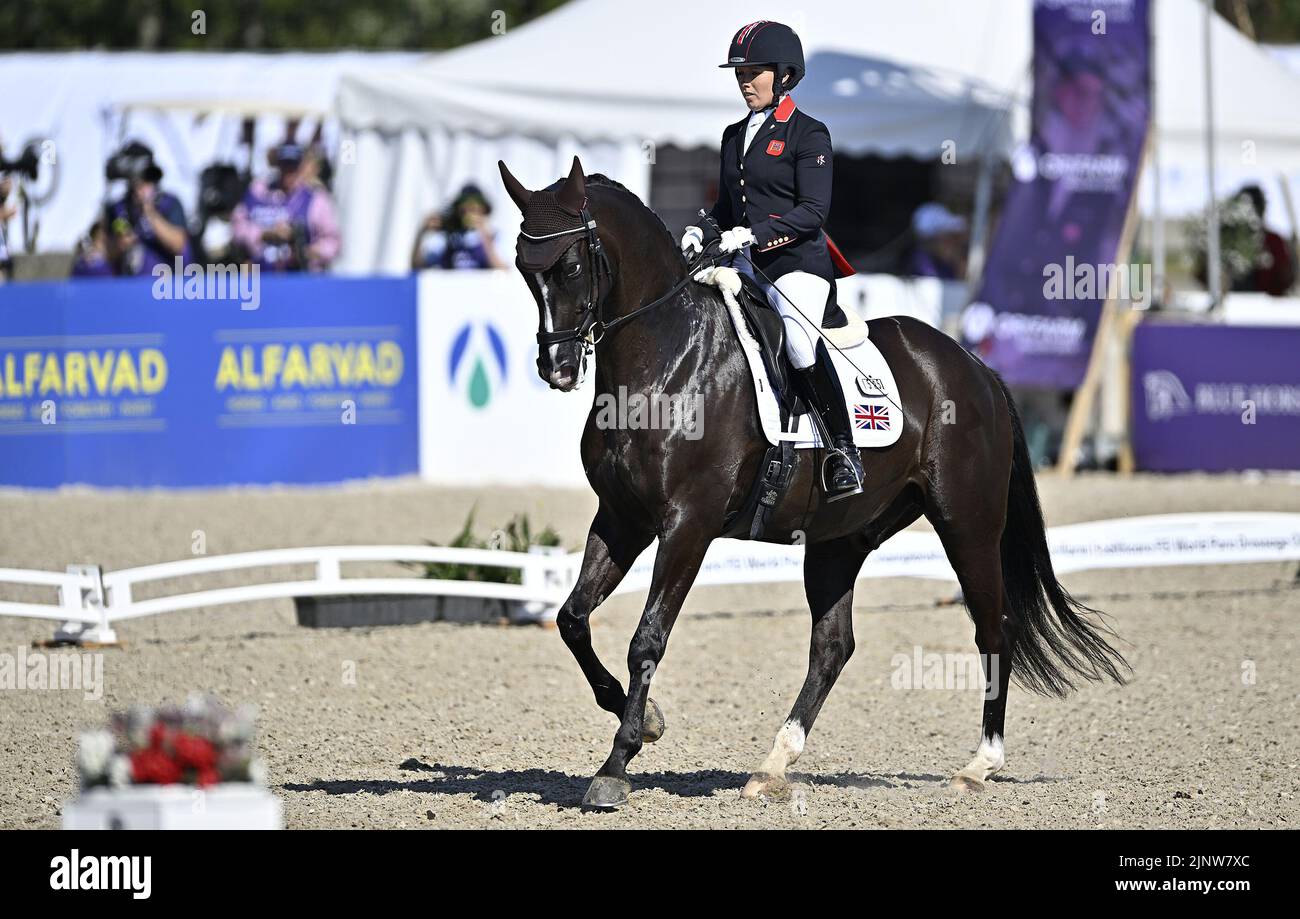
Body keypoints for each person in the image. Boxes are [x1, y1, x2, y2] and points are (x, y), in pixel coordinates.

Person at [680, 20, 864, 502]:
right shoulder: (733, 135)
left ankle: (844, 450)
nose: (745, 81)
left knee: (799, 345)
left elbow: (814, 211)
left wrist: (754, 234)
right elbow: (727, 206)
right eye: (740, 72)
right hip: (746, 266)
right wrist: (704, 227)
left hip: (799, 265)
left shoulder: (809, 133)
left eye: (755, 71)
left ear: (783, 75)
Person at [230, 142, 341, 272]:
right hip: (259, 276)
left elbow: (333, 243)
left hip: (298, 278)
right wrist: (264, 234)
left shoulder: (316, 199)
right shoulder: (258, 191)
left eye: (294, 166)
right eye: (285, 165)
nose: (289, 172)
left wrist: (306, 252)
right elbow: (237, 228)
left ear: (302, 167)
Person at [104, 141, 191, 276]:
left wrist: (149, 212)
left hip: (166, 286)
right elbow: (107, 252)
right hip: (129, 286)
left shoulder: (168, 203)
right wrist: (120, 243)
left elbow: (178, 244)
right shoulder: (118, 209)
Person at [411, 183, 508, 270]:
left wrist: (484, 234)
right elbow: (417, 266)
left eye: (474, 207)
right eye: (465, 207)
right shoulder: (447, 238)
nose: (469, 211)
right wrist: (422, 233)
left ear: (484, 210)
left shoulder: (495, 237)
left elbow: (503, 270)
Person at [905, 202, 968, 280]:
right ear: (931, 241)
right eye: (947, 238)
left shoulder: (947, 264)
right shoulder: (921, 264)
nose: (953, 243)